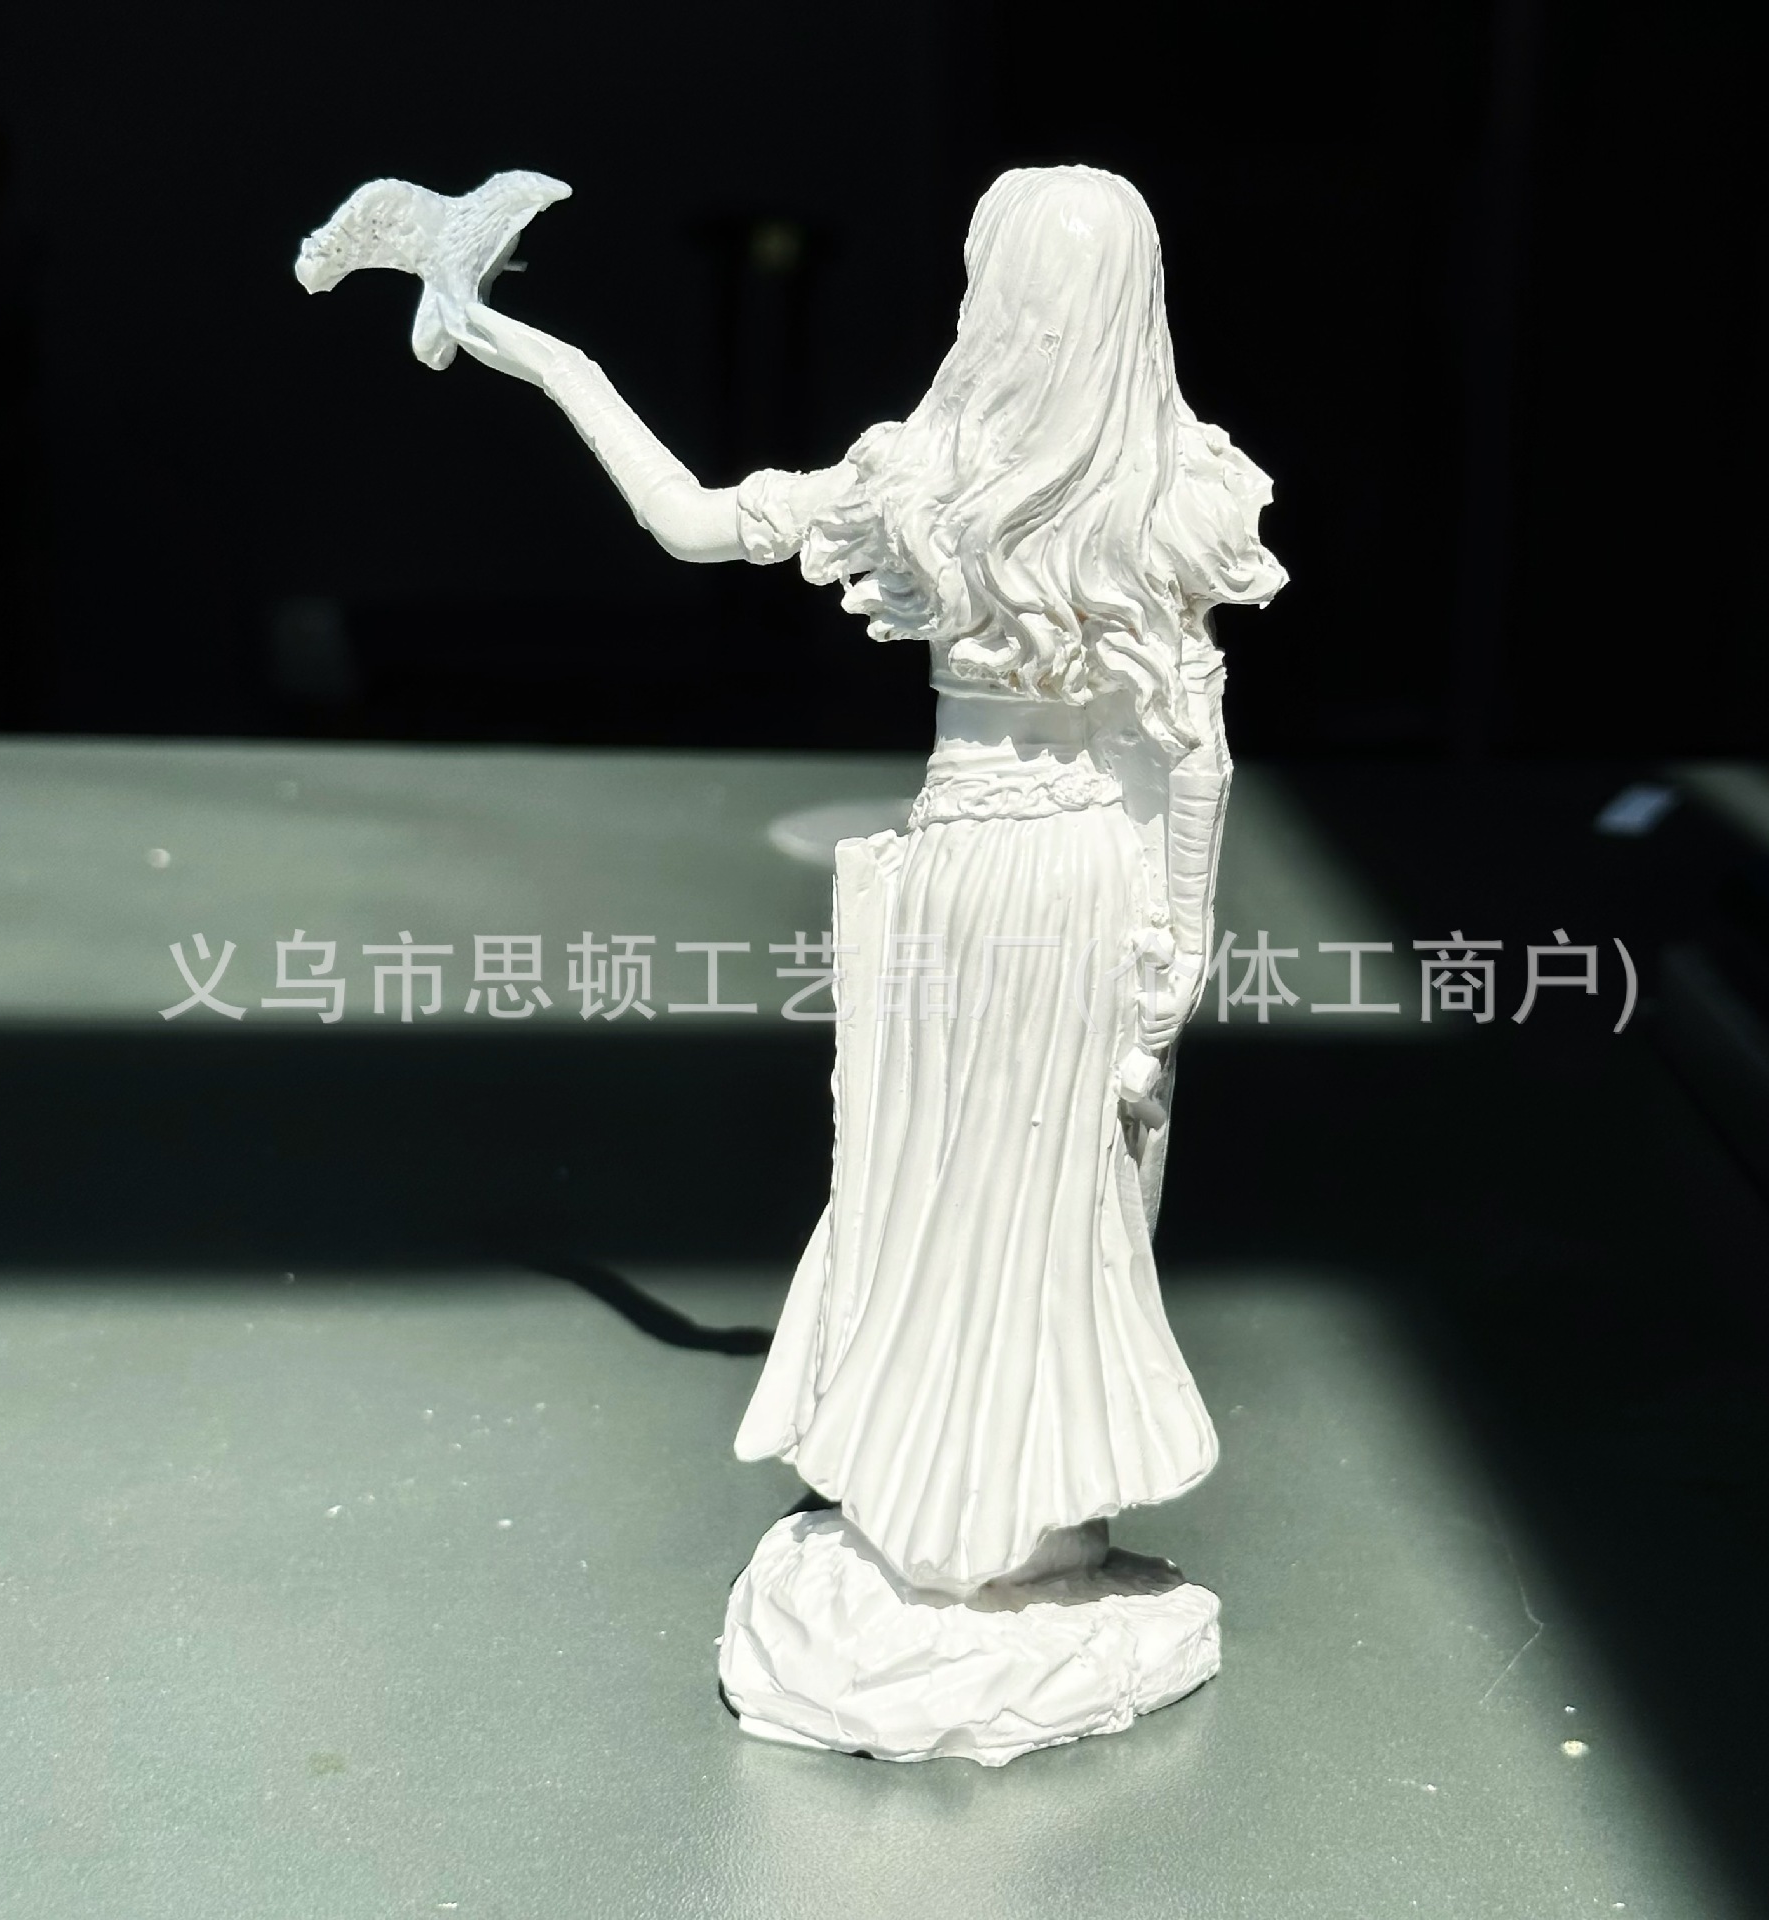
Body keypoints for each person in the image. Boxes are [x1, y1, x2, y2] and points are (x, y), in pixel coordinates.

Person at [304, 162, 1285, 1599]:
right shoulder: (1168, 491)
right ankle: (1029, 1508)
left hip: (958, 879)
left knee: (944, 1192)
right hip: (1078, 885)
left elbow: (688, 521)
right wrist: (1171, 962)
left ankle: (975, 1501)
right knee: (1061, 1200)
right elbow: (1192, 761)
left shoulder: (924, 478)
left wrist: (547, 359)